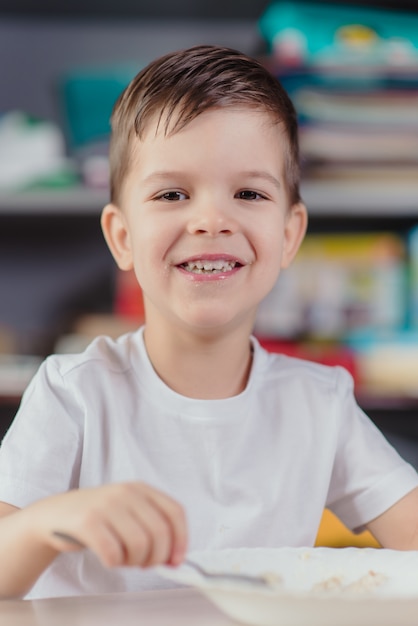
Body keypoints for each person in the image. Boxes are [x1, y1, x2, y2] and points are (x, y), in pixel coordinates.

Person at [0, 44, 417, 601]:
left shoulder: (320, 405)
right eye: (173, 193)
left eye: (248, 193)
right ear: (122, 236)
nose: (211, 220)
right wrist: (47, 523)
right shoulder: (72, 395)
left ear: (289, 234)